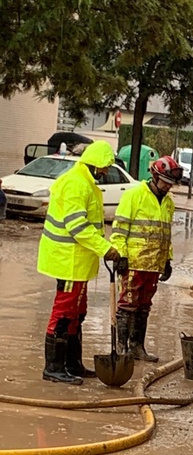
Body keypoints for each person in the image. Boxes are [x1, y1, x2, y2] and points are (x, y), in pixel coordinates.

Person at [37, 141, 121, 384]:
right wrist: (105, 249)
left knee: (77, 312)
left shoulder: (86, 182)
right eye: (104, 168)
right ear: (94, 165)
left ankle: (71, 364)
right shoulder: (76, 183)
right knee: (64, 312)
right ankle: (53, 367)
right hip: (67, 260)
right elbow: (78, 227)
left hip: (77, 260)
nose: (106, 172)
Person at [110, 155, 181, 362]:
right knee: (128, 305)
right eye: (165, 182)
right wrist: (121, 255)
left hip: (154, 264)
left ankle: (137, 346)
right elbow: (120, 228)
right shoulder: (134, 196)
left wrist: (167, 260)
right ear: (155, 176)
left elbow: (165, 233)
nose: (168, 187)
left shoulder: (168, 203)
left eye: (171, 183)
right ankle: (122, 348)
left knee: (144, 306)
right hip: (134, 261)